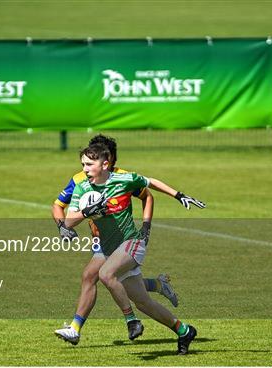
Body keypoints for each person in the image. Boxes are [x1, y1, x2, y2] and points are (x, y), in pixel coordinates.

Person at [64, 144, 205, 355]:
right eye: (83, 164)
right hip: (111, 249)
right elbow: (68, 221)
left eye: (89, 164)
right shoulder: (83, 188)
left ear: (105, 164)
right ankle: (184, 330)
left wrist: (179, 195)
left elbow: (151, 183)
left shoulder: (124, 179)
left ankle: (131, 321)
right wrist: (86, 212)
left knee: (105, 273)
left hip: (132, 243)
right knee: (144, 302)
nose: (84, 168)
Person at [53, 135, 178, 345]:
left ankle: (77, 328)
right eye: (86, 161)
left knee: (96, 275)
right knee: (122, 283)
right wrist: (61, 226)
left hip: (122, 239)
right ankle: (158, 286)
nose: (87, 165)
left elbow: (148, 195)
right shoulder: (80, 179)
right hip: (100, 238)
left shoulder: (122, 177)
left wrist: (146, 225)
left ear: (107, 159)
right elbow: (58, 205)